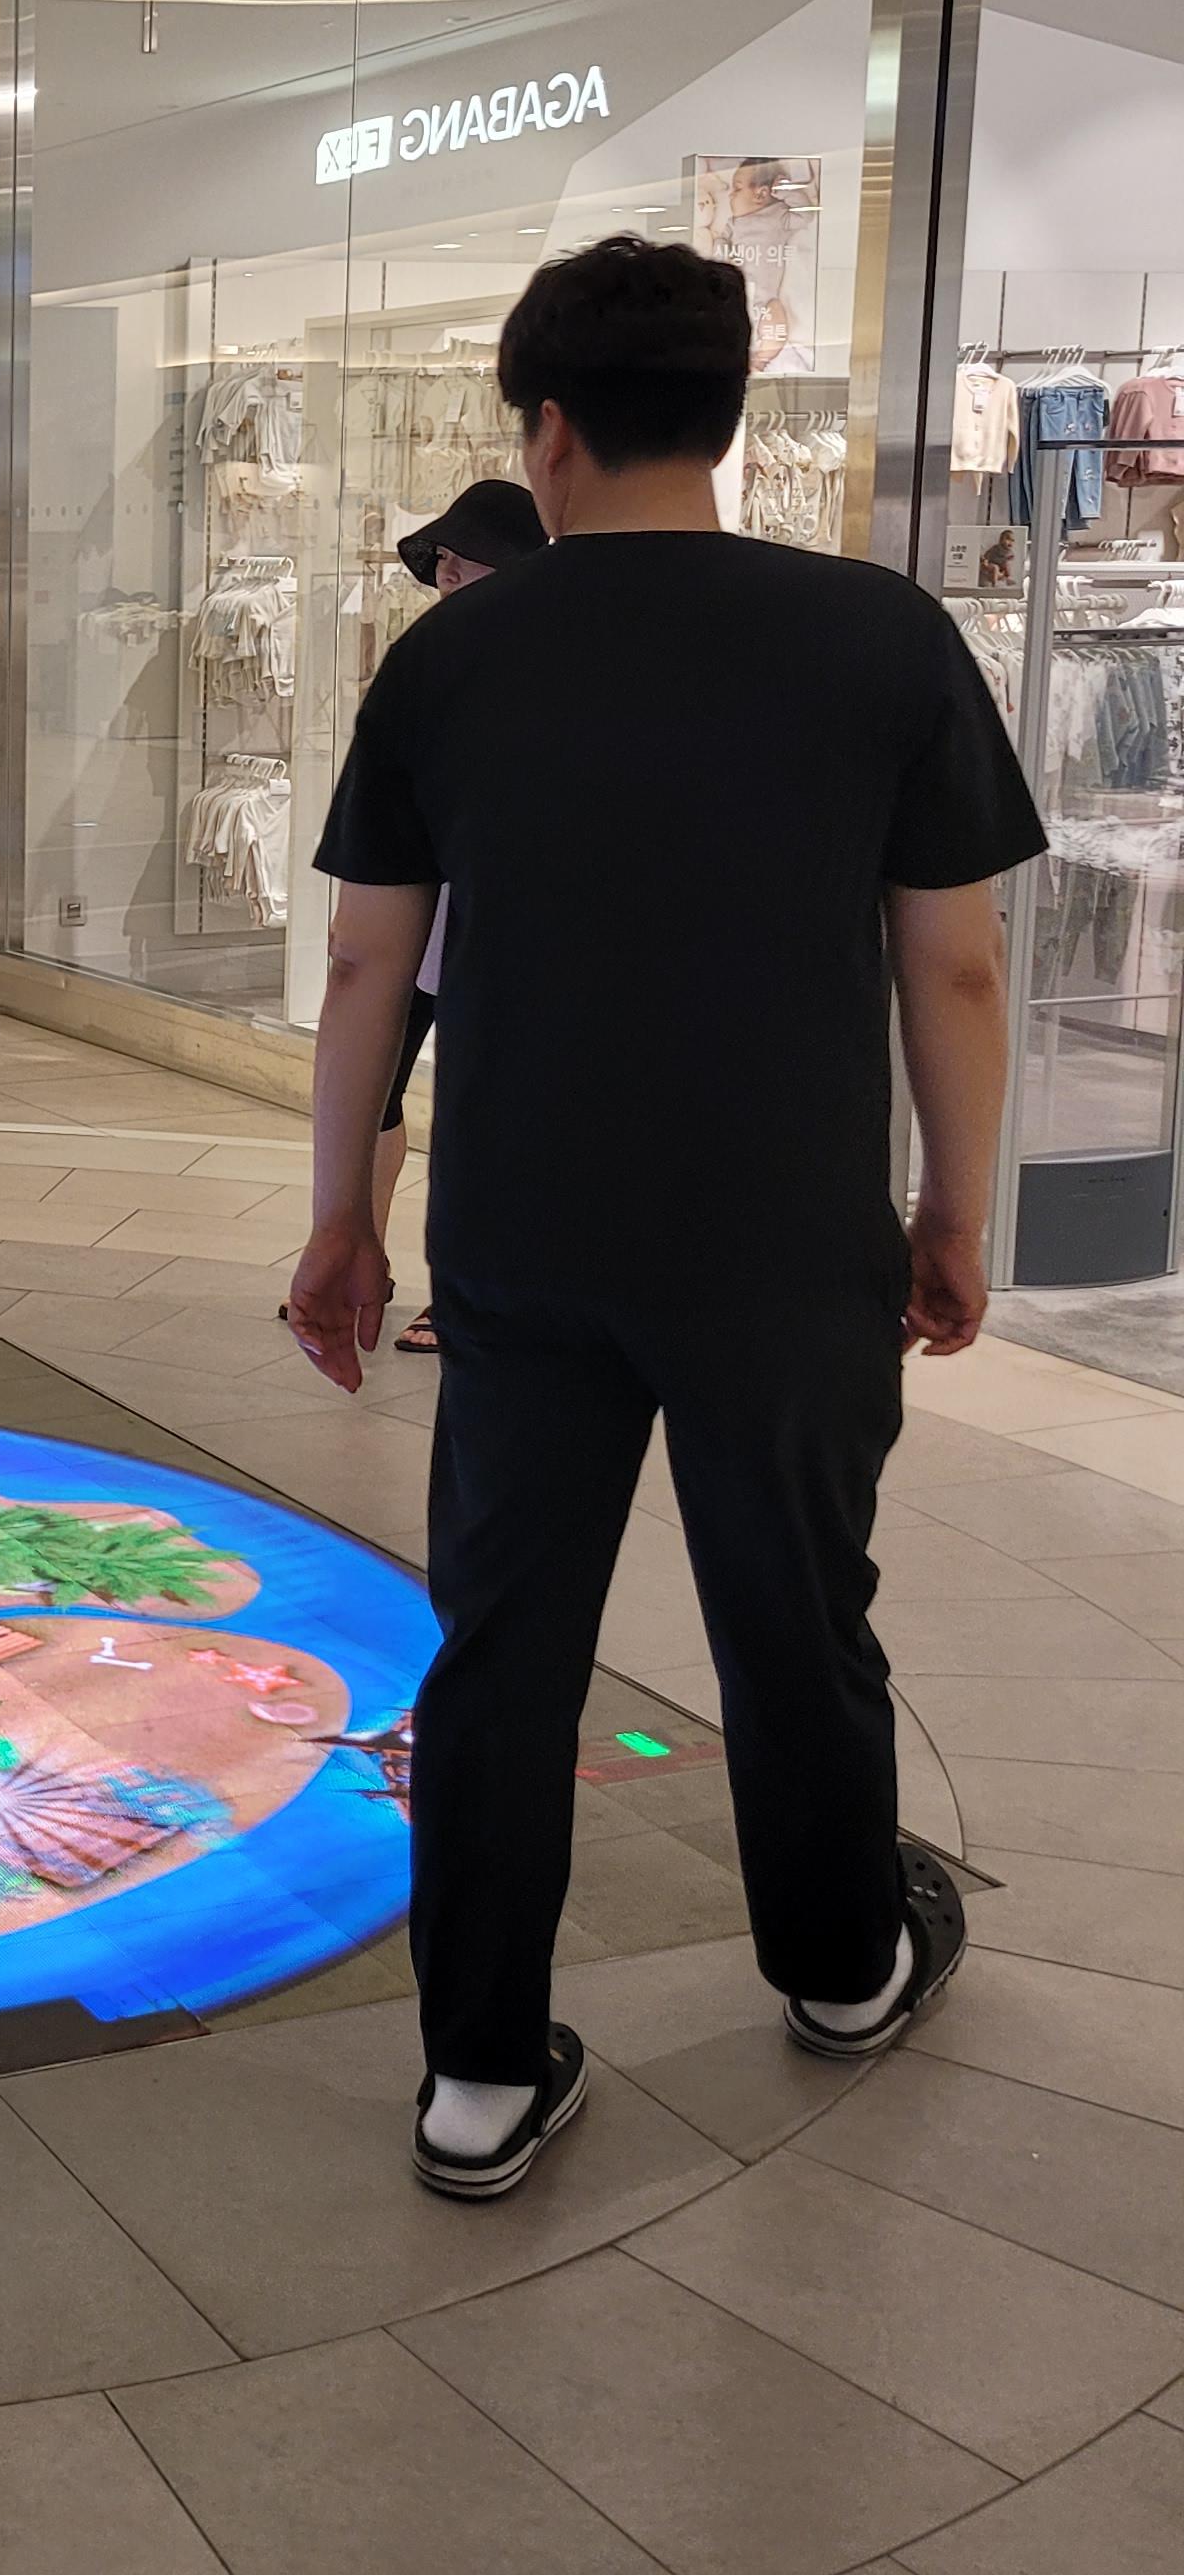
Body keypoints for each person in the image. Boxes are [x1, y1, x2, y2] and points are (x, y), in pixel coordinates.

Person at [287, 234, 1047, 2201]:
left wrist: (341, 1214)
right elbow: (955, 967)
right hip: (787, 1240)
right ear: (720, 419)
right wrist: (952, 1210)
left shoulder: (451, 657)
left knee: (501, 1643)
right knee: (792, 1614)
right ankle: (845, 1966)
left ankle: (476, 2077)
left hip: (523, 1241)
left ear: (544, 430)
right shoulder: (880, 638)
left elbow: (369, 965)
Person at [369, 478, 549, 1361]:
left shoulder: (551, 670)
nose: (445, 571)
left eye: (464, 559)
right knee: (379, 1086)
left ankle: (461, 1291)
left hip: (503, 922)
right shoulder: (431, 665)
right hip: (418, 912)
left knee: (482, 1110)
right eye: (440, 557)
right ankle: (365, 1256)